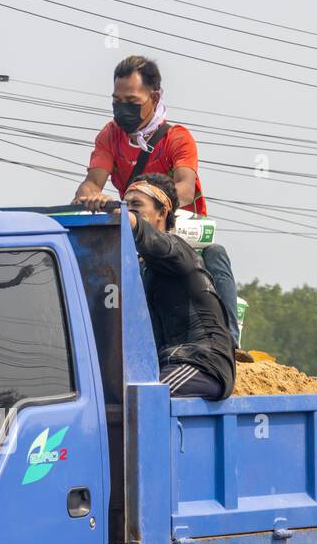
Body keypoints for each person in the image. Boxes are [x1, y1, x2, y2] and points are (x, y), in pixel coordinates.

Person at [72, 54, 241, 343]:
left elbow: (185, 188)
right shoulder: (110, 136)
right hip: (135, 229)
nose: (122, 108)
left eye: (132, 102)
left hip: (176, 231)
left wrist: (151, 199)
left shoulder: (176, 139)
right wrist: (90, 197)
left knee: (215, 254)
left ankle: (230, 341)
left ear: (155, 97)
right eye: (116, 101)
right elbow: (92, 181)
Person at [117, 173, 234, 400]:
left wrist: (124, 217)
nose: (128, 210)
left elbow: (154, 240)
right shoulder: (143, 268)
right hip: (170, 361)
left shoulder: (177, 251)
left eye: (136, 205)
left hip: (202, 362)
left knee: (146, 399)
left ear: (162, 212)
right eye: (125, 205)